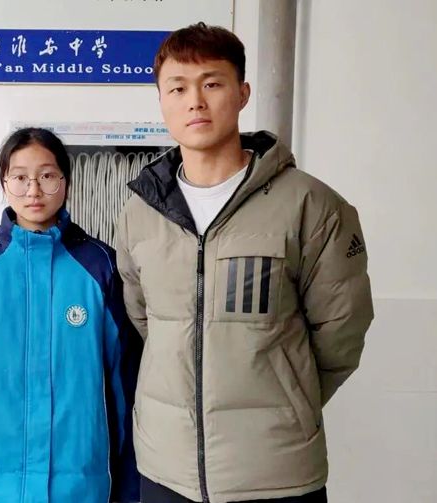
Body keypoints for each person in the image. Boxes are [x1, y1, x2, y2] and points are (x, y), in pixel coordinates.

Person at [115, 23, 373, 503]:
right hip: (165, 469)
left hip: (275, 472)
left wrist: (287, 401)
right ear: (162, 101)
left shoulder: (310, 205)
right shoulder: (140, 213)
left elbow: (342, 331)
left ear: (242, 93)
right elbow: (144, 319)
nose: (195, 102)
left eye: (212, 83)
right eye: (178, 88)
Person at [0, 127, 141, 503]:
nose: (34, 190)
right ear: (4, 183)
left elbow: (126, 384)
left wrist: (130, 485)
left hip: (78, 485)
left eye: (47, 176)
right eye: (20, 177)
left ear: (66, 181)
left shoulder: (99, 267)